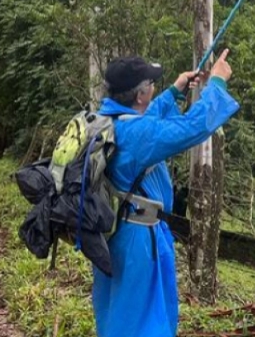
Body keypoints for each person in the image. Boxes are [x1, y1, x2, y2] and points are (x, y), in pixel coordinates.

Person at [92, 49, 239, 337]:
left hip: (116, 233)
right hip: (139, 241)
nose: (153, 88)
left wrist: (174, 91)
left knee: (119, 314)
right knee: (143, 323)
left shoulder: (111, 119)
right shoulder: (137, 135)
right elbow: (190, 128)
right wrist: (217, 85)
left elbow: (146, 122)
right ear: (140, 95)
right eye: (151, 85)